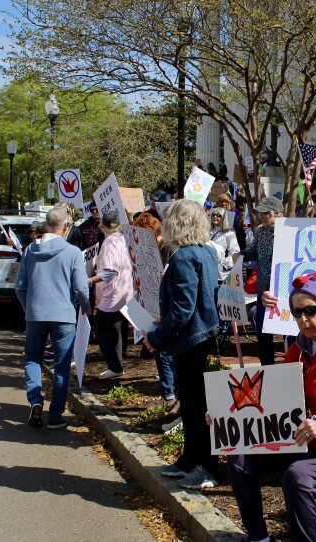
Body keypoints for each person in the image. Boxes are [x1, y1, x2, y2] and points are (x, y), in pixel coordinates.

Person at [227, 272, 316, 542]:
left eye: (312, 310)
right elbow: (277, 400)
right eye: (297, 313)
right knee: (238, 459)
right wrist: (228, 416)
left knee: (298, 475)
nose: (304, 319)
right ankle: (259, 538)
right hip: (302, 437)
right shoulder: (297, 349)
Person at [145, 199, 221, 489]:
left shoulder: (183, 257)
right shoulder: (206, 252)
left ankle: (205, 466)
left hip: (191, 340)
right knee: (193, 405)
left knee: (195, 405)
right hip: (201, 337)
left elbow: (183, 310)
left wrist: (156, 337)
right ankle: (191, 460)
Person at [15, 206, 90, 429]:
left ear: (46, 225)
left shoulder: (30, 251)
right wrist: (86, 307)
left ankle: (35, 400)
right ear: (66, 227)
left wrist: (29, 309)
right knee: (62, 365)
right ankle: (55, 416)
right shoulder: (73, 252)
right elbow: (80, 289)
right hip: (64, 315)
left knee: (32, 358)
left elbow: (20, 287)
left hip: (35, 314)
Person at [132, 212, 177, 412]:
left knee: (164, 352)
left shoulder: (167, 248)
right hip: (153, 305)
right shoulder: (153, 249)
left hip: (165, 308)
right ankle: (167, 393)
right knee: (158, 352)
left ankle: (170, 395)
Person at [87, 210, 133, 380]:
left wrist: (90, 280)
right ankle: (117, 364)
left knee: (99, 328)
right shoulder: (122, 239)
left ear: (102, 225)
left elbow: (110, 271)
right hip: (124, 292)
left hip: (112, 295)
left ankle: (114, 365)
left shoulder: (109, 243)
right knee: (114, 328)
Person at [242, 196, 283, 366]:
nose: (262, 217)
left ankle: (292, 369)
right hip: (262, 291)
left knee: (288, 334)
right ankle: (267, 367)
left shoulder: (288, 231)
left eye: (265, 213)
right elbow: (253, 252)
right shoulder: (260, 230)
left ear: (277, 213)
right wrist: (241, 255)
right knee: (262, 331)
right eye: (261, 213)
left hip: (282, 292)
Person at [208, 207, 241, 283]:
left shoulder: (229, 234)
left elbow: (235, 252)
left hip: (221, 273)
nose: (215, 217)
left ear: (223, 218)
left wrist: (224, 264)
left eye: (218, 215)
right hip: (207, 269)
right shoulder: (206, 231)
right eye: (213, 215)